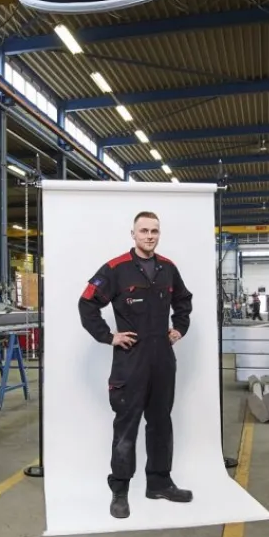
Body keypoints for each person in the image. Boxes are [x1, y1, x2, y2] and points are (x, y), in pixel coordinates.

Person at [79, 211, 194, 520]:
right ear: (133, 234)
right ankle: (120, 490)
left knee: (160, 422)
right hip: (131, 361)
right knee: (126, 426)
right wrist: (108, 336)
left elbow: (184, 301)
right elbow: (87, 302)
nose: (149, 236)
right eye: (143, 231)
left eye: (154, 231)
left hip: (162, 358)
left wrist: (179, 328)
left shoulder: (168, 269)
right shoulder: (116, 269)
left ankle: (159, 483)